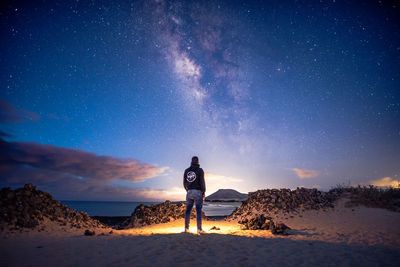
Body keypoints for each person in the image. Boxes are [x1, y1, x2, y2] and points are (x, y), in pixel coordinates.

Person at [183, 156, 206, 234]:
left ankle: (186, 228)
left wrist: (187, 190)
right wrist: (203, 192)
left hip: (189, 192)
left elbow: (184, 183)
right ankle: (199, 229)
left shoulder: (186, 170)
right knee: (198, 211)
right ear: (198, 162)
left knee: (188, 211)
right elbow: (202, 182)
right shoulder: (200, 170)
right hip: (198, 192)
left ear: (191, 161)